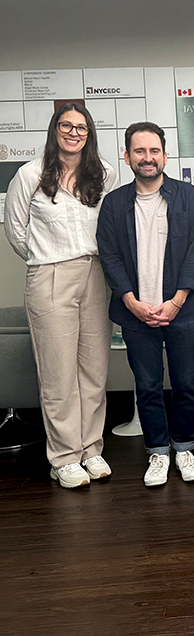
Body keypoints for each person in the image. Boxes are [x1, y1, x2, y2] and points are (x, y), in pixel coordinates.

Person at [4, 102, 117, 489]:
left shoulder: (104, 174)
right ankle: (65, 456)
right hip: (51, 275)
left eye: (81, 127)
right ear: (55, 130)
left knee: (94, 367)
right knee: (58, 373)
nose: (74, 132)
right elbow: (17, 231)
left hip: (96, 274)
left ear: (89, 134)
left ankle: (91, 449)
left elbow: (111, 227)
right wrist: (46, 260)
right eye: (66, 126)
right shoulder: (30, 174)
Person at [96, 122, 194, 487]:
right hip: (135, 312)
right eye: (139, 151)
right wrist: (130, 301)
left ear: (165, 154)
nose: (148, 158)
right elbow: (109, 256)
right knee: (146, 385)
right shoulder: (113, 203)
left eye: (154, 150)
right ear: (127, 157)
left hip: (183, 310)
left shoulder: (188, 197)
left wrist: (176, 301)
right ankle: (158, 452)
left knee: (187, 382)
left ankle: (186, 447)